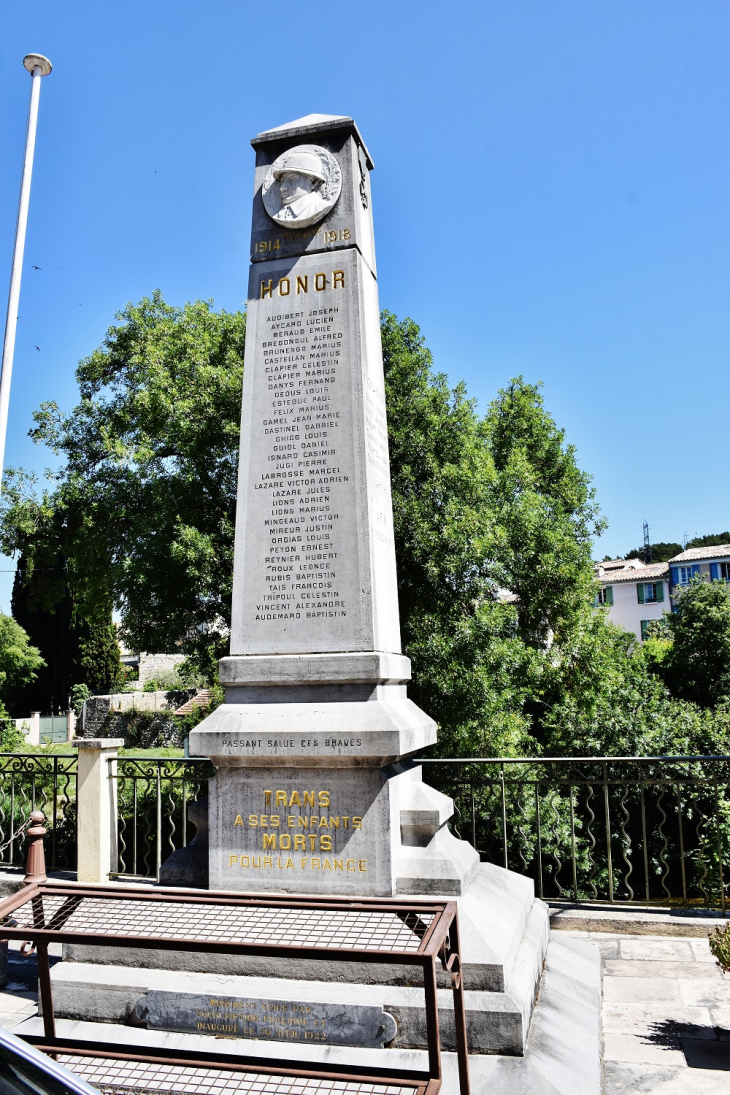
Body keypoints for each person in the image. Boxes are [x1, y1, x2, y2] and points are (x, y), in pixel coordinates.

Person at [271, 150, 328, 224]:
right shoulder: (281, 213)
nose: (282, 188)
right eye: (282, 181)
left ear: (313, 182)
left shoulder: (320, 207)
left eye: (292, 179)